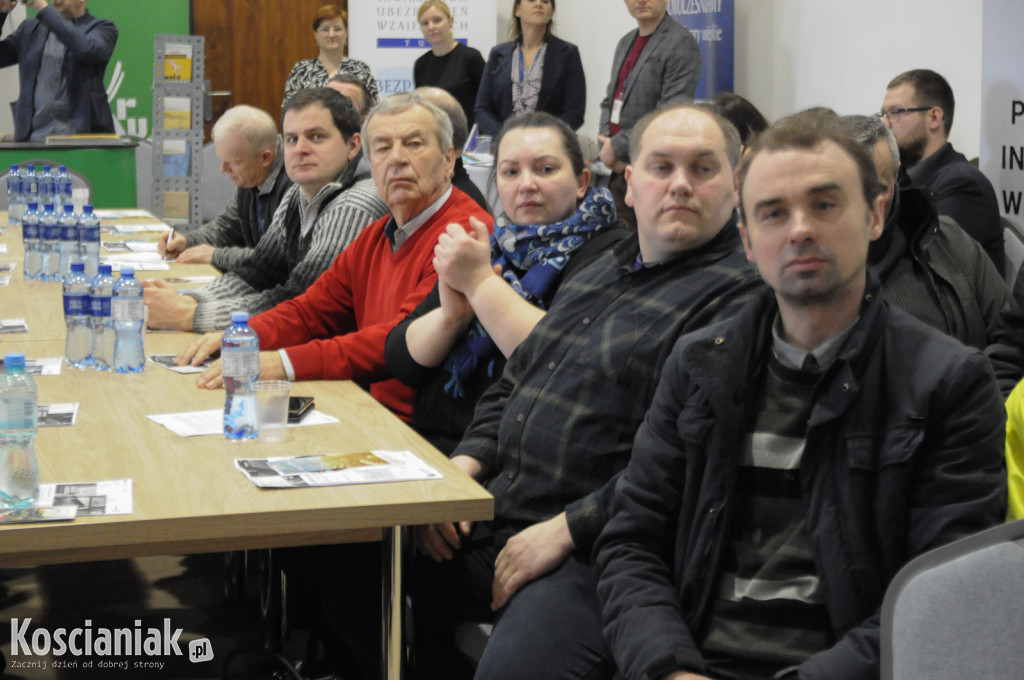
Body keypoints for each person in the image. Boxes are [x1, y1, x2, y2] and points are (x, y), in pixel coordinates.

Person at [594, 110, 1005, 680]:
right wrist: (668, 668)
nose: (799, 229)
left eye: (825, 204)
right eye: (772, 213)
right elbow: (631, 544)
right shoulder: (697, 364)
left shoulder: (948, 383)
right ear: (747, 239)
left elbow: (940, 598)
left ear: (876, 214)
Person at [411, 101, 762, 680]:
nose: (679, 185)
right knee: (354, 562)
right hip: (500, 509)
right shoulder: (603, 265)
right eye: (661, 167)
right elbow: (520, 377)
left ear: (735, 183)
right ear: (629, 183)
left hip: (600, 545)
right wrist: (461, 474)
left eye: (703, 169)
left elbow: (685, 464)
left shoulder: (741, 298)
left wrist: (567, 528)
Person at [175, 92, 492, 423]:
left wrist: (279, 362)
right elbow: (311, 311)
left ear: (448, 159)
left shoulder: (467, 236)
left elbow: (394, 341)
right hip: (366, 409)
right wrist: (244, 336)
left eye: (413, 144)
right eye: (383, 148)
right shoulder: (377, 235)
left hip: (421, 431)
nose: (396, 158)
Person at [387, 111, 626, 454]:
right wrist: (451, 318)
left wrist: (482, 284)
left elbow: (561, 365)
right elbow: (401, 360)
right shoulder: (496, 243)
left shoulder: (608, 251)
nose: (526, 184)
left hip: (511, 462)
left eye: (545, 169)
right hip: (429, 447)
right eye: (510, 172)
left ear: (581, 182)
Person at [143, 88, 387, 333]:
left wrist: (190, 316)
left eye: (316, 137)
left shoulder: (356, 204)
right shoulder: (299, 193)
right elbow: (257, 274)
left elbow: (304, 304)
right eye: (292, 139)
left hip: (340, 359)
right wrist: (188, 300)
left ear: (353, 145)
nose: (301, 148)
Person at [845, 114, 1009, 351]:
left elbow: (1012, 340)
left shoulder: (949, 240)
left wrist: (988, 387)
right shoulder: (814, 264)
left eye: (877, 190)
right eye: (848, 190)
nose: (868, 206)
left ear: (896, 175)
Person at [880, 69, 1003, 274]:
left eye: (896, 112)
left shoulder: (962, 184)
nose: (885, 123)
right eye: (883, 113)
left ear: (934, 117)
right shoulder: (905, 177)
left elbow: (929, 271)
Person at [598, 0, 701, 229]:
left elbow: (669, 115)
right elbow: (610, 101)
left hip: (653, 172)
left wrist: (617, 147)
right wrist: (605, 142)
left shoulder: (680, 42)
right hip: (618, 171)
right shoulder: (625, 42)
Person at [157, 105, 293, 271]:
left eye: (233, 162)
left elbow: (281, 260)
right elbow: (226, 228)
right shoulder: (251, 178)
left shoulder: (294, 186)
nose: (223, 169)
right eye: (222, 160)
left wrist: (216, 255)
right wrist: (187, 241)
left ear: (265, 158)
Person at [0, 0, 117, 142]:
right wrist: (1, 13)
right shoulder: (30, 29)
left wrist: (44, 10)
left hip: (83, 137)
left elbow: (87, 50)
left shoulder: (102, 28)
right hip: (33, 138)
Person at [473, 0, 585, 136]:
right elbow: (482, 109)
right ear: (517, 10)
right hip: (504, 145)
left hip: (547, 145)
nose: (539, 4)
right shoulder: (498, 54)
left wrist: (542, 136)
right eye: (532, 0)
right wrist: (504, 136)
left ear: (551, 12)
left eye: (545, 1)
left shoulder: (567, 54)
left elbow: (574, 112)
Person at [282, 4, 378, 110]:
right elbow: (288, 112)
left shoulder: (361, 69)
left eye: (337, 29)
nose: (331, 34)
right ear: (316, 34)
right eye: (325, 29)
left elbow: (372, 112)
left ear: (346, 33)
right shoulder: (301, 70)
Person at [414, 0, 485, 130]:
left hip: (469, 138)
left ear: (450, 21)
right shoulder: (421, 64)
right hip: (435, 137)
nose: (431, 27)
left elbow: (486, 104)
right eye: (425, 23)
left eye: (437, 20)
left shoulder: (471, 57)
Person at [416, 85, 489, 211]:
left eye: (414, 143)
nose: (397, 155)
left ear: (449, 154)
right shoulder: (427, 199)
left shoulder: (463, 209)